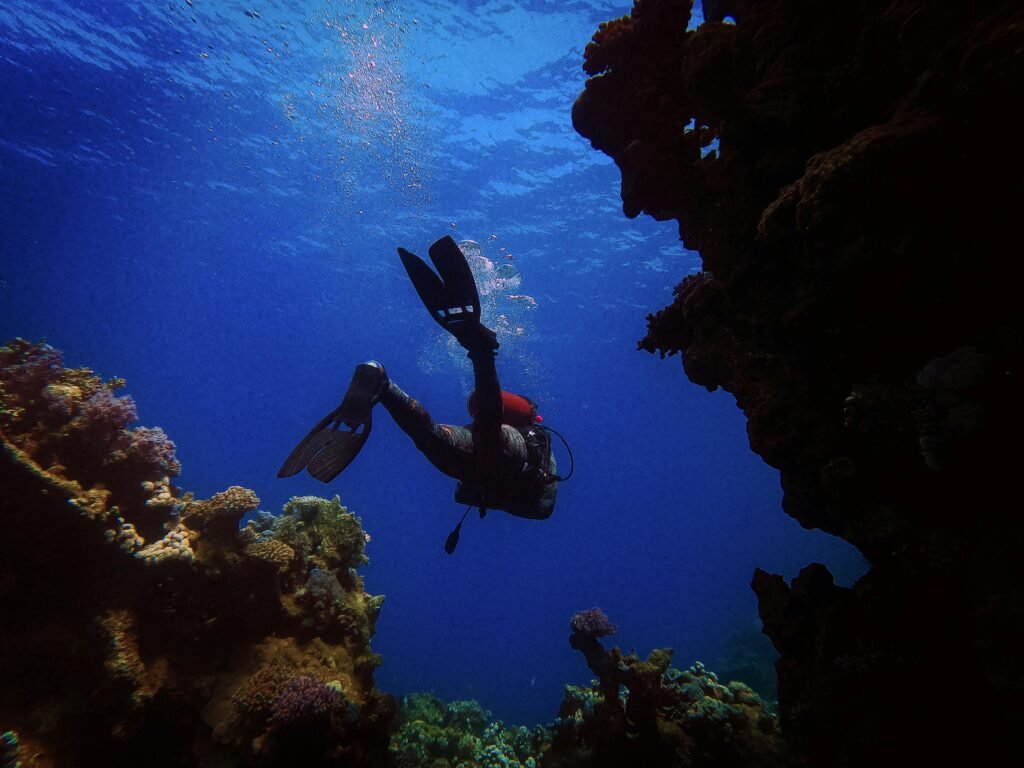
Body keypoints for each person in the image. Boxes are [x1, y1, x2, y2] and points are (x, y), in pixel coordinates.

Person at [278, 235, 558, 535]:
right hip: (497, 464)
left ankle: (384, 385)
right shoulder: (540, 465)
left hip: (476, 457)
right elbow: (540, 509)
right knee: (472, 439)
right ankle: (479, 351)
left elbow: (464, 488)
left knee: (436, 434)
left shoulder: (518, 448)